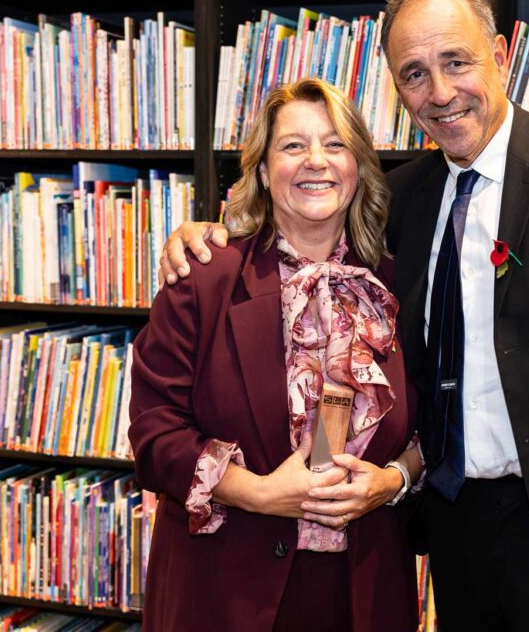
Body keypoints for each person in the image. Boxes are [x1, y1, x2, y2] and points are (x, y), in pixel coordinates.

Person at [159, 0, 529, 631]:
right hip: (453, 532)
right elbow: (302, 243)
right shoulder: (401, 201)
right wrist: (208, 234)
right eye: (415, 74)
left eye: (457, 61)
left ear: (502, 54)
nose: (441, 92)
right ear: (399, 92)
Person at [129, 77, 424, 632]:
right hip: (224, 597)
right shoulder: (203, 276)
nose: (317, 160)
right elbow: (154, 435)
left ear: (358, 167)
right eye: (293, 146)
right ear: (264, 172)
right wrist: (260, 493)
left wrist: (391, 482)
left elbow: (434, 425)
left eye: (335, 144)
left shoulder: (396, 285)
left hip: (365, 594)